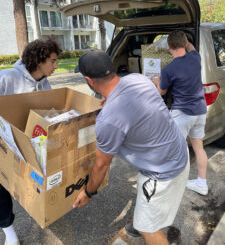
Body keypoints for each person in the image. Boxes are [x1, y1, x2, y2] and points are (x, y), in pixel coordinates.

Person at [72, 49, 189, 245]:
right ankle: (145, 218)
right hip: (178, 151)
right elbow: (137, 97)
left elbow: (101, 165)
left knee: (147, 228)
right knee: (147, 209)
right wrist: (112, 100)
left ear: (89, 80)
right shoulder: (138, 79)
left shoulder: (108, 120)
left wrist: (88, 192)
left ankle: (146, 225)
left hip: (162, 173)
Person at [0, 38, 61, 245]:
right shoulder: (7, 78)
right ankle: (10, 233)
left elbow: (50, 109)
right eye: (52, 61)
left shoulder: (44, 82)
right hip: (5, 143)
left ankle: (41, 211)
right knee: (1, 187)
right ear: (39, 59)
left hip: (32, 142)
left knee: (31, 182)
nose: (56, 66)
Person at [152, 30, 208, 196]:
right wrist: (186, 41)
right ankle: (202, 183)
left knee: (172, 150)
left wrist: (156, 81)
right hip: (200, 111)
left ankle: (168, 188)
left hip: (183, 114)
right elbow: (191, 48)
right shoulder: (195, 58)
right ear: (185, 44)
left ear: (169, 47)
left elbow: (161, 92)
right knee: (199, 148)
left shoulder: (169, 69)